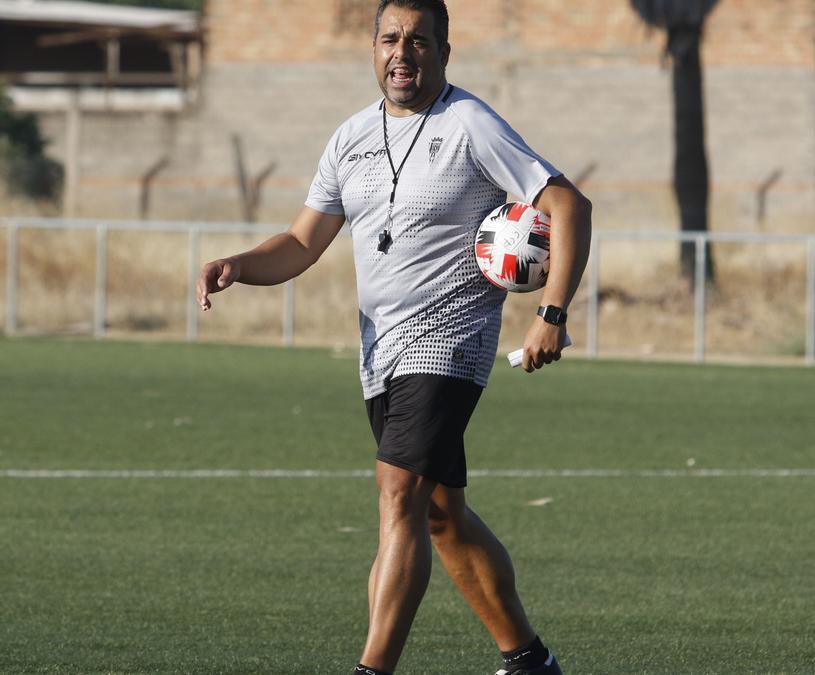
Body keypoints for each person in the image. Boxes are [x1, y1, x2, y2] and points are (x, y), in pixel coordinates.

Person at [195, 1, 590, 672]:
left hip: (450, 343)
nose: (402, 52)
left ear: (443, 51)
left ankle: (372, 668)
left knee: (395, 492)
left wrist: (551, 313)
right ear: (373, 47)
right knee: (439, 515)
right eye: (390, 38)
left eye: (419, 40)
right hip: (381, 352)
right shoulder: (350, 137)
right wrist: (240, 267)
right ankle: (527, 659)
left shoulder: (468, 124)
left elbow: (568, 204)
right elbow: (299, 242)